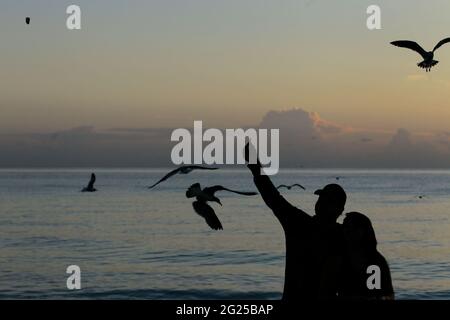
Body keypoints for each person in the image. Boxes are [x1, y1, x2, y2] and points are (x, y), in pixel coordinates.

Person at [245, 144, 347, 300]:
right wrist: (255, 167)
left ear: (338, 209)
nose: (321, 202)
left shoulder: (301, 224)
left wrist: (255, 167)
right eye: (321, 198)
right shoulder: (343, 235)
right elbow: (273, 197)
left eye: (327, 201)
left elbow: (273, 197)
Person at [340, 212, 395, 300]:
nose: (345, 230)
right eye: (344, 226)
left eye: (350, 227)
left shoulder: (375, 260)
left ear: (362, 231)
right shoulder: (341, 257)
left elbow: (382, 294)